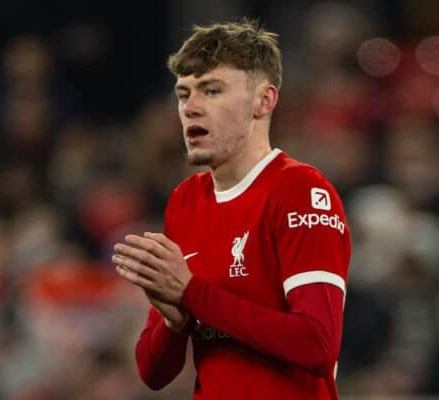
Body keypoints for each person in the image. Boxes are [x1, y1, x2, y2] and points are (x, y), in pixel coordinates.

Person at [112, 19, 351, 399]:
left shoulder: (299, 190)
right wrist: (174, 324)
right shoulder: (185, 201)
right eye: (183, 93)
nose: (190, 108)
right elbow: (152, 372)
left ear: (264, 100)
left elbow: (318, 344)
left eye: (212, 90)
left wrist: (192, 292)